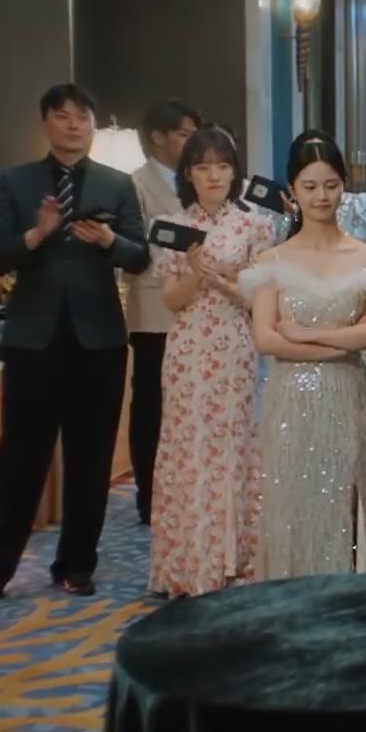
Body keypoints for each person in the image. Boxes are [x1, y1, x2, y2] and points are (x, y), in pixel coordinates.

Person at [0, 83, 150, 611]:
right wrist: (37, 234)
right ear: (46, 122)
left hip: (99, 340)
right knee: (20, 457)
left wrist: (109, 241)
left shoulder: (117, 183)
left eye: (82, 118)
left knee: (91, 458)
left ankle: (76, 564)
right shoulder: (15, 182)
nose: (74, 126)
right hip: (33, 340)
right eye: (63, 117)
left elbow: (140, 256)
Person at [244, 130, 366, 577]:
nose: (321, 196)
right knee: (291, 500)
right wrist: (340, 344)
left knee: (345, 495)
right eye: (310, 186)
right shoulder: (271, 260)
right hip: (290, 398)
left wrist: (307, 336)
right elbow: (265, 339)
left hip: (347, 396)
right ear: (292, 189)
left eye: (331, 185)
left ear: (343, 186)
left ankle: (346, 594)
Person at [147, 125, 273, 597]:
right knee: (188, 451)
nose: (214, 175)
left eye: (222, 166)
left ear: (235, 172)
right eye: (203, 167)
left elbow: (257, 299)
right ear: (188, 174)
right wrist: (194, 274)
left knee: (232, 447)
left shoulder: (255, 225)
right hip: (187, 350)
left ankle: (233, 559)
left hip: (234, 346)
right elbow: (172, 300)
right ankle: (188, 563)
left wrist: (218, 278)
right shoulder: (172, 225)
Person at [122, 97, 200, 526]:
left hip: (198, 309)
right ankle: (149, 493)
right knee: (152, 402)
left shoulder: (198, 182)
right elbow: (136, 248)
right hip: (154, 309)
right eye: (184, 135)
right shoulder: (135, 184)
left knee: (191, 402)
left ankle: (188, 486)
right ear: (157, 136)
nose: (192, 143)